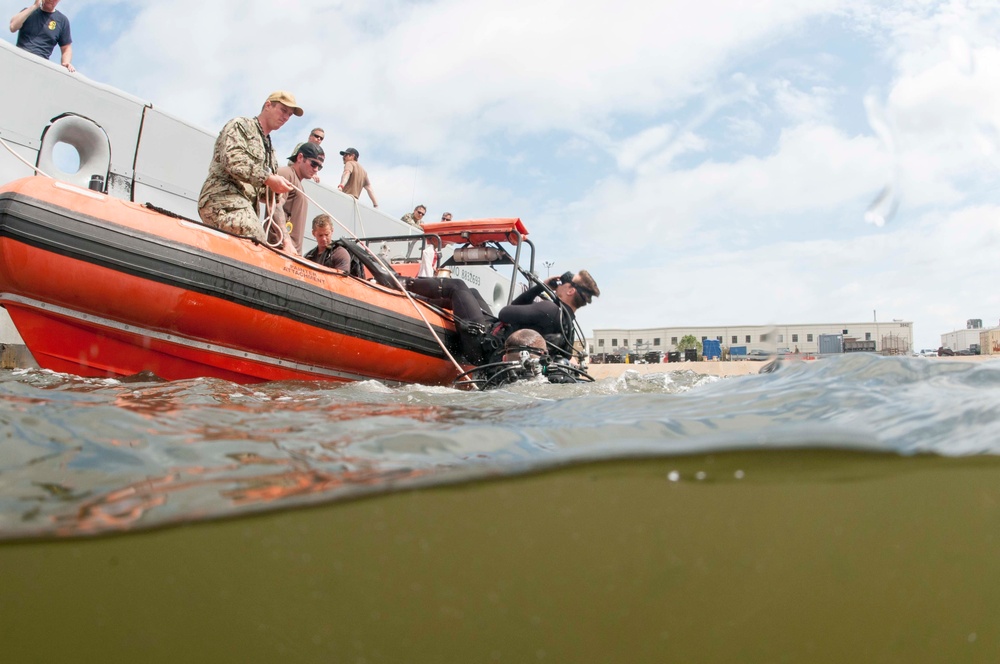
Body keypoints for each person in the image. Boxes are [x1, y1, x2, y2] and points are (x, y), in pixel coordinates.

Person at [197, 91, 303, 247]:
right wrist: (268, 179)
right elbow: (234, 160)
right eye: (283, 110)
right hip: (221, 199)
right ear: (268, 105)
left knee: (257, 241)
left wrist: (286, 240)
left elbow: (273, 201)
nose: (286, 118)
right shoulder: (241, 126)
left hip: (244, 208)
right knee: (254, 236)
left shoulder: (271, 153)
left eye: (289, 115)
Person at [497, 270, 600, 357]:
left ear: (570, 291)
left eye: (563, 282)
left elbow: (504, 313)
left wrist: (541, 286)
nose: (559, 284)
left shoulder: (548, 309)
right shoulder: (569, 327)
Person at [273, 142, 324, 252]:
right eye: (314, 164)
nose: (316, 169)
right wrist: (286, 242)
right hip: (280, 249)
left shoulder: (298, 183)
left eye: (319, 167)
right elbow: (275, 206)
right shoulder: (286, 173)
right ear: (300, 157)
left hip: (290, 252)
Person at [9, 0, 74, 72]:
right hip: (19, 58)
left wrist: (66, 63)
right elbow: (12, 27)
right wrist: (34, 6)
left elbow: (66, 48)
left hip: (40, 66)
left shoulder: (62, 21)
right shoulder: (28, 12)